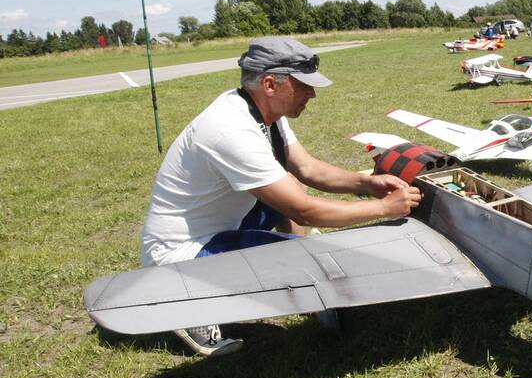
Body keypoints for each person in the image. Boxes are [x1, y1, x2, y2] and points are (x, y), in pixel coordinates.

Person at [140, 36, 422, 355]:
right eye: (304, 85)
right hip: (181, 254)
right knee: (310, 254)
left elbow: (307, 168)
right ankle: (188, 302)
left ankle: (307, 282)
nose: (312, 93)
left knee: (287, 185)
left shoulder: (261, 112)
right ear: (271, 84)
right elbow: (304, 211)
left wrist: (366, 184)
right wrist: (384, 208)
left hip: (219, 225)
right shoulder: (231, 130)